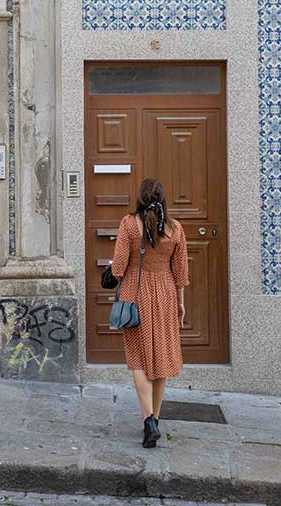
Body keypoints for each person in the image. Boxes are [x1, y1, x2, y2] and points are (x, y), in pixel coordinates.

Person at [111, 178, 189, 448]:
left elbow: (119, 266)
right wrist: (181, 304)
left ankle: (148, 421)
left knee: (138, 359)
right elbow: (180, 272)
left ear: (140, 198)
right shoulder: (175, 228)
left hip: (135, 293)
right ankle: (155, 417)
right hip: (166, 294)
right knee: (161, 357)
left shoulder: (129, 224)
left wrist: (112, 274)